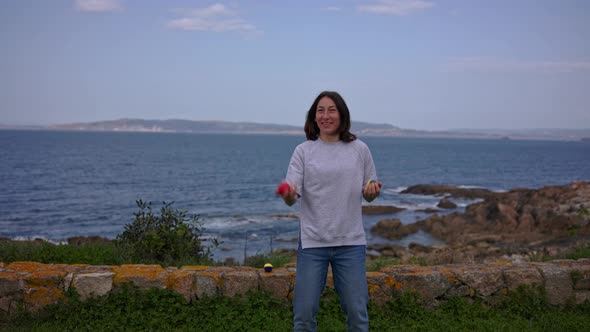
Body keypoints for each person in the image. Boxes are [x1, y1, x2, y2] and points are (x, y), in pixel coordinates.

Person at [276, 91, 381, 332]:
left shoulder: (360, 149)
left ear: (342, 115)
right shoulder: (303, 151)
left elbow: (368, 190)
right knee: (303, 316)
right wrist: (288, 194)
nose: (325, 115)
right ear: (314, 117)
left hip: (351, 243)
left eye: (331, 110)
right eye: (320, 111)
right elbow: (292, 198)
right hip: (313, 243)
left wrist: (372, 193)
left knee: (357, 315)